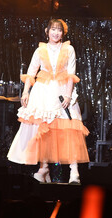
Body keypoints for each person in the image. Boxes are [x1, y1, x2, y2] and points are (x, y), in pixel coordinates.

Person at [7, 19, 89, 184]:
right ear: (47, 31)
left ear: (63, 33)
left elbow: (71, 74)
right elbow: (31, 72)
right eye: (53, 29)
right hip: (43, 92)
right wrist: (25, 92)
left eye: (59, 30)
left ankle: (74, 171)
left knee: (69, 129)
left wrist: (68, 95)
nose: (56, 33)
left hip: (62, 91)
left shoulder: (69, 49)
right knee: (43, 131)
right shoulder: (40, 50)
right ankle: (44, 169)